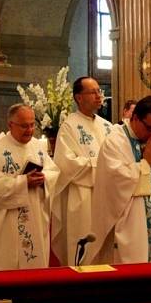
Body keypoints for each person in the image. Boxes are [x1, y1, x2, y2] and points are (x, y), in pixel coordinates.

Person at [92, 95, 151, 264]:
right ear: (135, 118)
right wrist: (145, 164)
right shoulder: (115, 141)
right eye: (150, 128)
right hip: (133, 226)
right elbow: (116, 183)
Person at [0, 104, 59, 270]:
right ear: (10, 124)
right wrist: (23, 182)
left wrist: (44, 178)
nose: (30, 130)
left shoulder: (38, 146)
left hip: (35, 215)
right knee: (8, 266)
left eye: (32, 124)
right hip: (6, 223)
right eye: (24, 125)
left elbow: (53, 171)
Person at [51, 77, 115, 265]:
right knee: (84, 248)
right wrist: (101, 166)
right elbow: (67, 164)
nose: (98, 96)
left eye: (99, 91)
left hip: (106, 196)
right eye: (93, 92)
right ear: (79, 97)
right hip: (82, 197)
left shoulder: (107, 126)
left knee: (106, 250)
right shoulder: (69, 126)